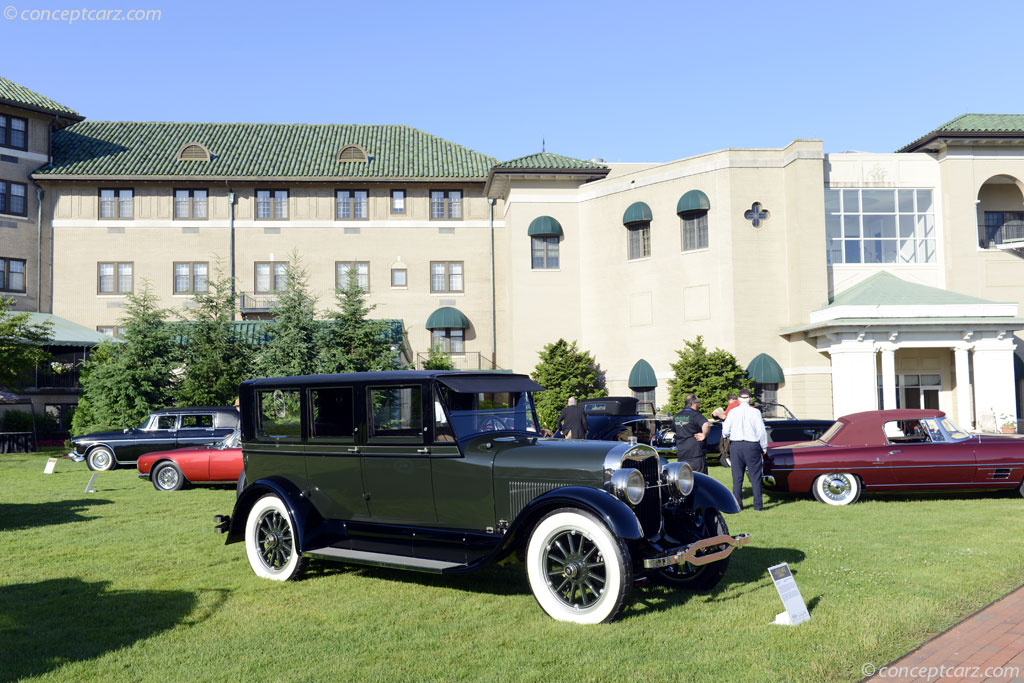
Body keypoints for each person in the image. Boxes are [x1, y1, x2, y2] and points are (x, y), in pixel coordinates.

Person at [721, 388, 768, 511]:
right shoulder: (755, 412)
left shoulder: (732, 412)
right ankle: (758, 506)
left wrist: (730, 436)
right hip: (752, 446)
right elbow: (761, 432)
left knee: (737, 477)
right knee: (755, 477)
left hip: (736, 446)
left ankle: (737, 505)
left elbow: (725, 431)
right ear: (750, 399)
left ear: (738, 399)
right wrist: (764, 447)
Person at [673, 394, 709, 474]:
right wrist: (704, 435)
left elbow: (674, 430)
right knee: (700, 479)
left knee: (685, 480)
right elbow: (706, 424)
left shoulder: (677, 416)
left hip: (682, 453)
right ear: (694, 403)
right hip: (696, 454)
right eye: (698, 402)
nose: (699, 404)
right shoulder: (695, 415)